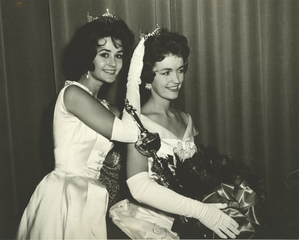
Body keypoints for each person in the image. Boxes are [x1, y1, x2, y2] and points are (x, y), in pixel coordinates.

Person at [16, 10, 145, 239]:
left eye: (119, 55)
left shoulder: (105, 108)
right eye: (104, 54)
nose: (113, 63)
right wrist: (133, 75)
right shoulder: (73, 94)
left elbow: (137, 125)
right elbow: (129, 132)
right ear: (88, 55)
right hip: (65, 196)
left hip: (91, 196)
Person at [110, 27, 240, 239]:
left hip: (189, 219)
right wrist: (201, 211)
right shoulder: (138, 123)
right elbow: (139, 187)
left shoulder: (186, 119)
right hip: (152, 223)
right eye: (166, 72)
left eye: (180, 70)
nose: (177, 79)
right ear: (147, 78)